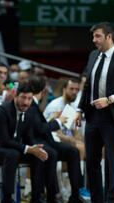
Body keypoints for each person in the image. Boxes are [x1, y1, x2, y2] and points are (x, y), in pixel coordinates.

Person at [75, 22, 114, 203]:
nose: (94, 40)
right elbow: (87, 86)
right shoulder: (93, 55)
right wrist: (80, 109)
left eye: (98, 36)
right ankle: (96, 199)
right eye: (93, 36)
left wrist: (110, 99)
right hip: (93, 116)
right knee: (92, 162)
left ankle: (113, 199)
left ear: (109, 36)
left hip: (113, 117)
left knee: (112, 162)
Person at [29, 75, 82, 203]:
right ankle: (52, 195)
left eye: (77, 89)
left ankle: (75, 195)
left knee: (74, 151)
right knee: (53, 153)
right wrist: (58, 121)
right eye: (71, 88)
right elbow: (44, 129)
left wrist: (75, 139)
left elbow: (74, 130)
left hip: (50, 139)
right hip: (47, 139)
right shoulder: (53, 105)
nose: (74, 92)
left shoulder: (72, 106)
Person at [0, 83, 48, 203]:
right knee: (12, 154)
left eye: (29, 99)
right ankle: (7, 199)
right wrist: (29, 149)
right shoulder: (1, 111)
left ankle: (36, 198)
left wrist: (35, 147)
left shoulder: (28, 112)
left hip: (15, 149)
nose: (26, 102)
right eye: (23, 97)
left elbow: (28, 137)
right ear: (16, 96)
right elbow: (4, 141)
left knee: (38, 155)